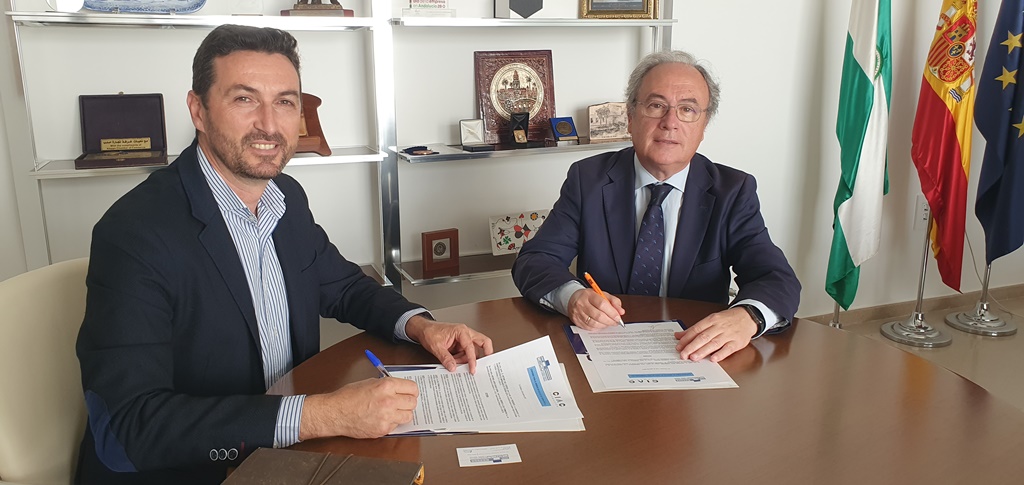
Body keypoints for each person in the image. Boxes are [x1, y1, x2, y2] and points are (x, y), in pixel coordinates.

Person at [75, 24, 492, 484]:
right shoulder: (133, 234)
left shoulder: (285, 197)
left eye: (286, 102)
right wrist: (325, 415)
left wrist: (421, 326)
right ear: (198, 110)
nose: (270, 126)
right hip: (197, 471)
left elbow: (345, 287)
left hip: (289, 452)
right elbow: (130, 428)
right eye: (245, 99)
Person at [512, 50, 800, 363]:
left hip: (693, 351)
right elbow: (536, 260)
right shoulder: (588, 180)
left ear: (703, 126)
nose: (670, 122)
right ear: (630, 117)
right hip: (606, 344)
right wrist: (572, 297)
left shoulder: (732, 191)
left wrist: (748, 317)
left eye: (687, 109)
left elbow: (776, 278)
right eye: (656, 105)